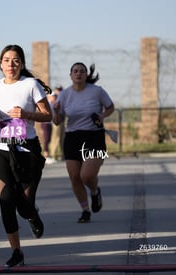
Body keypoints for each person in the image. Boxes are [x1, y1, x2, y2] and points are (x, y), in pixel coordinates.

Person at [0, 45, 52, 268]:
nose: (11, 64)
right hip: (1, 150)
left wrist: (26, 114)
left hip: (27, 152)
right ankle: (17, 252)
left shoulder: (31, 85)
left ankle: (32, 215)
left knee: (24, 206)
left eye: (15, 60)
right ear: (0, 63)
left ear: (21, 64)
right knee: (6, 201)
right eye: (6, 60)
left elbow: (48, 115)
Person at [52, 62, 114, 223]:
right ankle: (85, 210)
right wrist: (56, 111)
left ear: (86, 75)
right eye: (75, 71)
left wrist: (102, 116)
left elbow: (110, 107)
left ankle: (94, 192)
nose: (78, 73)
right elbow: (58, 121)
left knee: (86, 175)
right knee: (74, 177)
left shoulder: (97, 91)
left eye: (82, 71)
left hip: (94, 137)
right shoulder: (64, 94)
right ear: (71, 75)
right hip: (72, 138)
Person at [49, 85, 64, 161]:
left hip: (62, 121)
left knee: (62, 138)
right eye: (58, 90)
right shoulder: (54, 100)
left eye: (60, 90)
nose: (59, 92)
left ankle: (62, 155)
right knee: (55, 138)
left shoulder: (62, 98)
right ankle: (53, 155)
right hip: (56, 122)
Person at [40, 92, 56, 164]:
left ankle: (47, 154)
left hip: (49, 123)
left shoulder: (52, 104)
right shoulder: (48, 103)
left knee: (48, 139)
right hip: (45, 123)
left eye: (55, 96)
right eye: (53, 96)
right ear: (49, 97)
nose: (54, 97)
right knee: (46, 139)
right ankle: (46, 156)